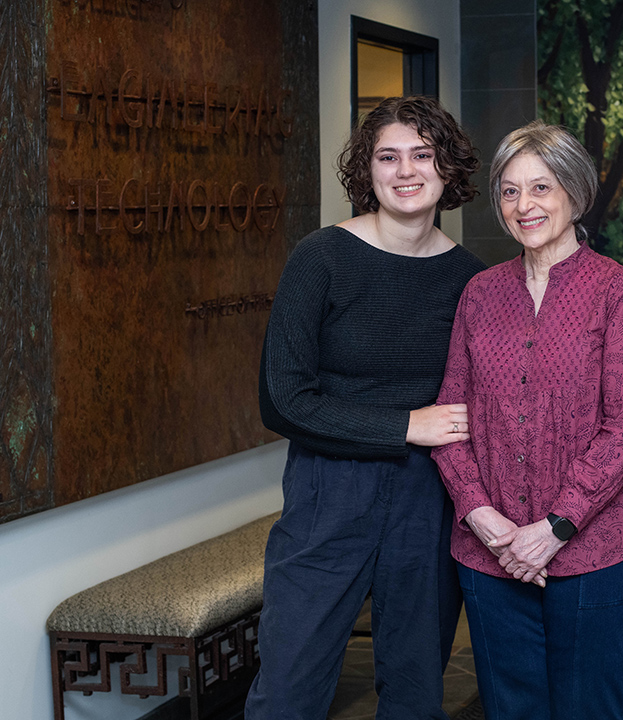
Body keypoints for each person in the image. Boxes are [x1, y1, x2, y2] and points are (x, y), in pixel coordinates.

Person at [244, 95, 486, 720]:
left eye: (422, 155)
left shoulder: (472, 280)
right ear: (367, 171)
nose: (406, 171)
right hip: (328, 491)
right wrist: (406, 425)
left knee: (414, 684)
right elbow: (282, 400)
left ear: (447, 169)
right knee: (290, 683)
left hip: (427, 498)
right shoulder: (319, 259)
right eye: (388, 156)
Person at [431, 121, 623, 720]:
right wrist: (479, 513)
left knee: (589, 708)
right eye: (510, 191)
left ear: (574, 194)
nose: (525, 205)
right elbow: (451, 415)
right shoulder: (479, 293)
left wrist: (554, 527)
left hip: (597, 547)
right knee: (511, 709)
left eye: (541, 187)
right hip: (490, 549)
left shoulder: (615, 290)